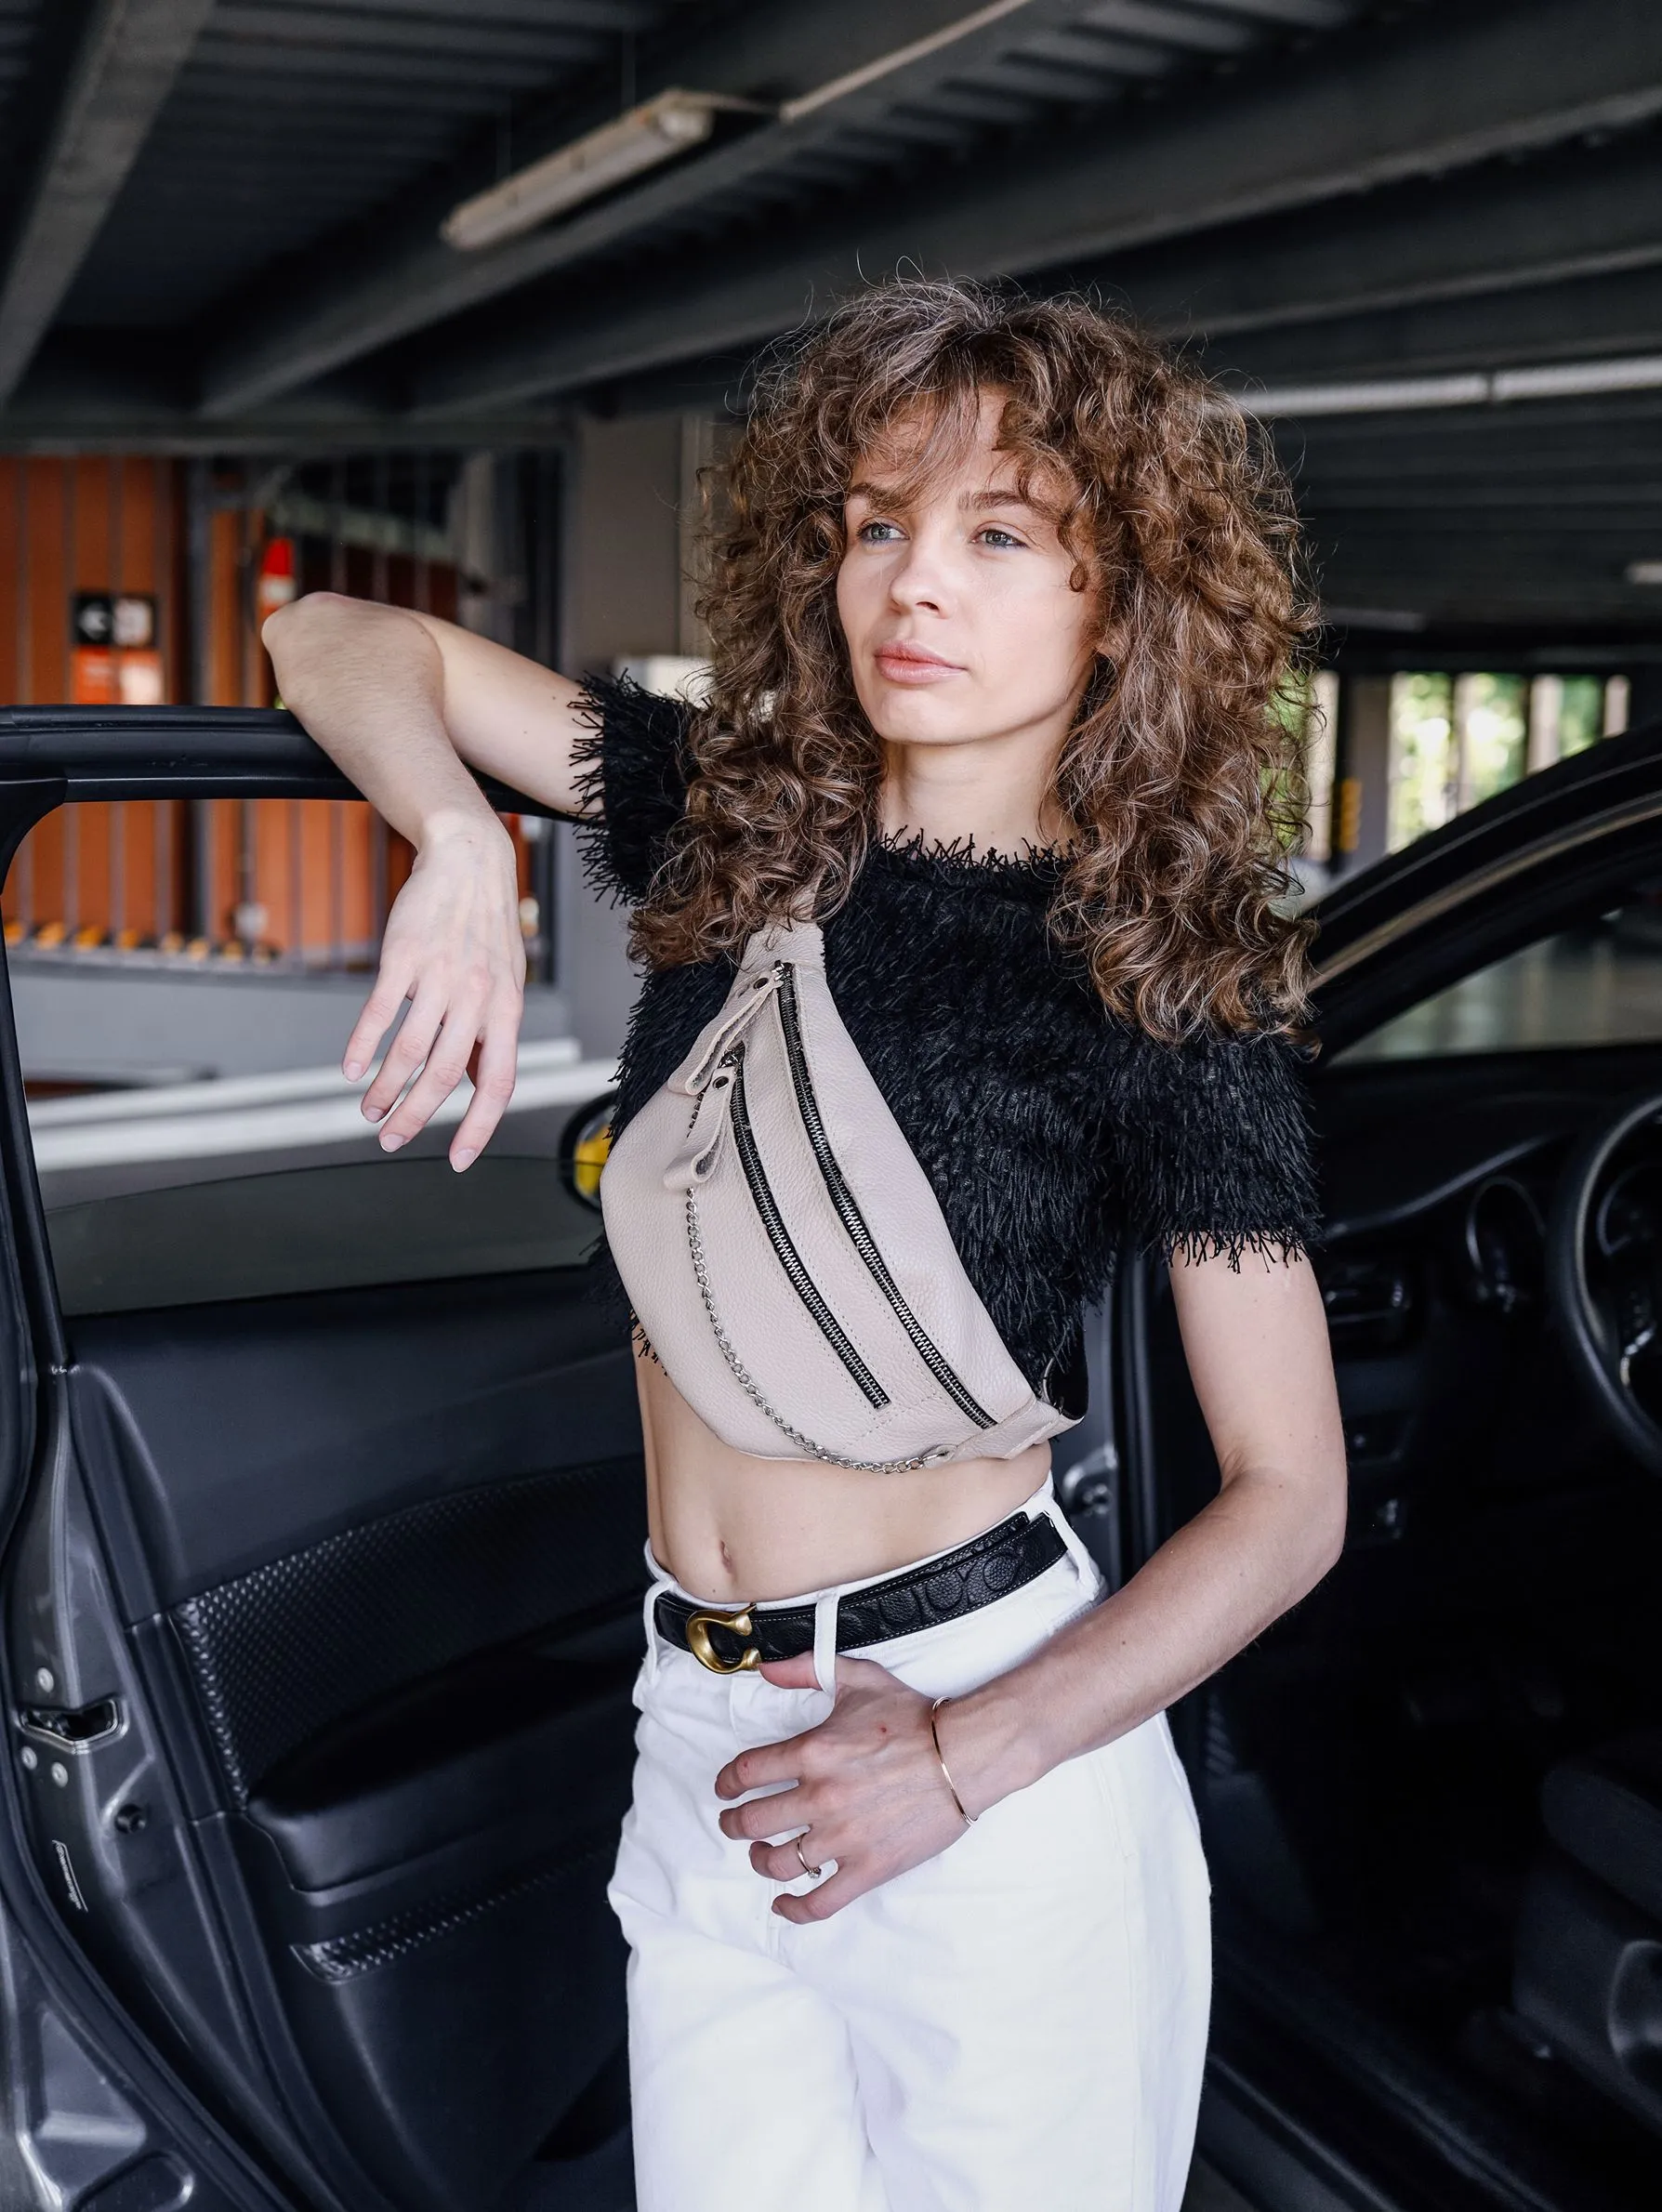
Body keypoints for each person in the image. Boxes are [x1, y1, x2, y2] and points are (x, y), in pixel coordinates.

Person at [264, 279, 1346, 2212]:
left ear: (1119, 601)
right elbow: (333, 635)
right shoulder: (735, 828)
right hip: (697, 1727)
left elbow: (1290, 1498)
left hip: (983, 1754)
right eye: (874, 524)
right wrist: (456, 839)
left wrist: (961, 1756)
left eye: (998, 535)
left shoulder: (1161, 983)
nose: (911, 582)